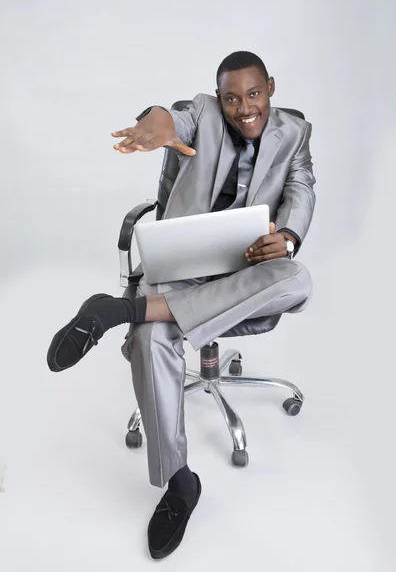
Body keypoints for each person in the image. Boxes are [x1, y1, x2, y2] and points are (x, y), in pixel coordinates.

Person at [47, 51, 316, 559]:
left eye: (254, 94)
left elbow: (301, 188)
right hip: (180, 268)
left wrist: (287, 236)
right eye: (231, 97)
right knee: (152, 342)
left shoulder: (295, 134)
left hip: (249, 271)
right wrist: (157, 123)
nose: (244, 107)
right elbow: (173, 119)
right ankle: (178, 483)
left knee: (297, 278)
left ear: (271, 88)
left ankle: (120, 311)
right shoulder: (204, 114)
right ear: (219, 97)